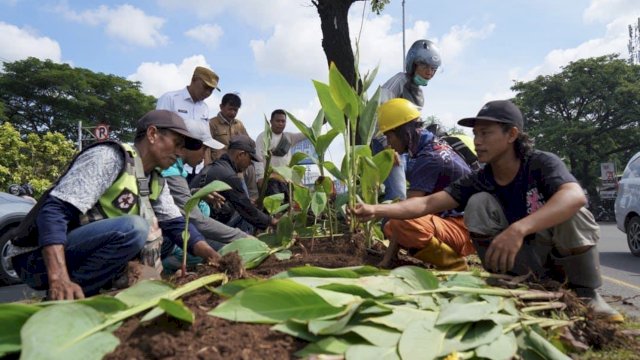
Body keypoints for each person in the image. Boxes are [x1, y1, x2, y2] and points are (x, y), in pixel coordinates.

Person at [354, 100, 624, 323]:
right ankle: (509, 284)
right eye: (476, 134)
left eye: (485, 133)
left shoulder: (540, 164)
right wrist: (374, 209)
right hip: (521, 262)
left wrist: (520, 228)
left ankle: (587, 294)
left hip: (557, 255)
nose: (477, 141)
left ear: (512, 135)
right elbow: (426, 204)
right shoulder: (482, 178)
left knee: (573, 212)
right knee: (479, 202)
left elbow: (575, 196)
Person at [7, 110, 222, 300]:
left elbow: (177, 225)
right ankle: (70, 295)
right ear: (153, 134)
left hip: (79, 250)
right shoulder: (110, 157)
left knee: (161, 240)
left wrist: (213, 257)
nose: (180, 152)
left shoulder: (155, 179)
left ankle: (95, 287)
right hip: (35, 258)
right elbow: (53, 212)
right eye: (177, 144)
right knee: (135, 228)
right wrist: (59, 278)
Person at [376, 98, 475, 270]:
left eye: (389, 136)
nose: (389, 143)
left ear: (404, 132)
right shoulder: (429, 147)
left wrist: (385, 261)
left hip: (464, 228)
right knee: (394, 224)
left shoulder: (429, 159)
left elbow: (407, 212)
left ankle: (454, 264)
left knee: (400, 222)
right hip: (461, 223)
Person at [376, 39, 442, 202]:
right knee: (398, 195)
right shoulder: (399, 81)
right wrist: (387, 146)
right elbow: (378, 113)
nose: (429, 72)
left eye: (433, 69)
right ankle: (390, 226)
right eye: (425, 66)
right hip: (386, 145)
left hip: (406, 150)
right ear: (413, 64)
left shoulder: (419, 95)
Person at [191, 135, 277, 234]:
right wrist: (272, 222)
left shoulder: (217, 166)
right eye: (250, 159)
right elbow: (247, 211)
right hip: (199, 228)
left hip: (196, 221)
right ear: (241, 155)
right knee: (245, 216)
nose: (250, 164)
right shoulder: (229, 176)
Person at [156, 66, 225, 172]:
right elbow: (159, 133)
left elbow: (205, 139)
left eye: (211, 90)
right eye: (205, 87)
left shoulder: (204, 108)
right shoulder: (170, 98)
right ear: (193, 79)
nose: (207, 93)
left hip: (196, 168)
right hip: (171, 167)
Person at [209, 93, 258, 201]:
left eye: (235, 110)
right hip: (219, 170)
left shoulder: (239, 124)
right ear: (221, 107)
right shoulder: (212, 123)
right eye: (230, 109)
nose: (233, 113)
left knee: (243, 197)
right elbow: (207, 148)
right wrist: (207, 167)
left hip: (236, 170)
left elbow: (249, 142)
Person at [254, 109, 306, 202]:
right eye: (277, 121)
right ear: (271, 122)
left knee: (287, 205)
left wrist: (322, 121)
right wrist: (260, 178)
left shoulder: (289, 137)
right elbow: (258, 158)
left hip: (286, 180)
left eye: (283, 121)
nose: (280, 123)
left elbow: (306, 134)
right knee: (275, 207)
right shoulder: (263, 137)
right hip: (270, 180)